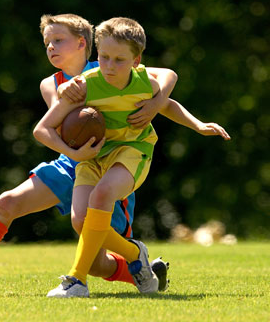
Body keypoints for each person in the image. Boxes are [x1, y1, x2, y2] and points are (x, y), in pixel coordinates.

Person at [0, 14, 178, 295]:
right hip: (70, 162)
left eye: (58, 40)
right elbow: (60, 126)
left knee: (97, 265)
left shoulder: (110, 64)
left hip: (107, 166)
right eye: (47, 42)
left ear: (82, 43)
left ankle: (144, 267)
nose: (50, 47)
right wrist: (71, 150)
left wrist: (156, 103)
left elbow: (166, 75)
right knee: (8, 202)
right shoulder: (51, 84)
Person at [33, 16, 231, 298]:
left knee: (101, 196)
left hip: (132, 151)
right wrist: (74, 153)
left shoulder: (143, 83)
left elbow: (169, 103)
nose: (110, 66)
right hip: (92, 158)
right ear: (96, 53)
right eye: (104, 57)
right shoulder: (84, 86)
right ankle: (134, 253)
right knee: (80, 222)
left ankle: (76, 281)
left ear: (137, 60)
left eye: (119, 60)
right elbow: (42, 130)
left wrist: (197, 125)